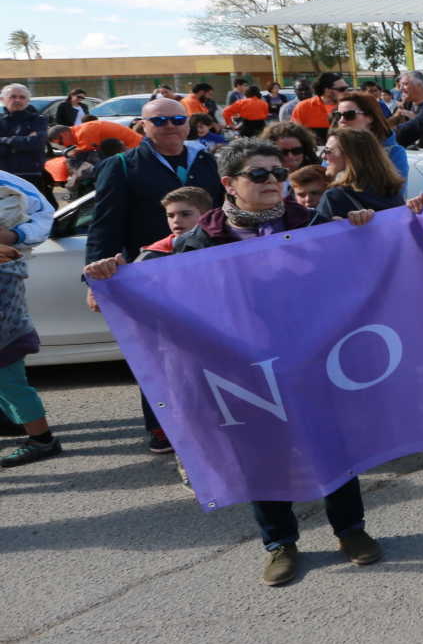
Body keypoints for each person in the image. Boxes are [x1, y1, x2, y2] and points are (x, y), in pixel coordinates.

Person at [88, 138, 383, 585]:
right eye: (260, 175)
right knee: (262, 453)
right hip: (239, 369)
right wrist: (108, 277)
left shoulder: (316, 225)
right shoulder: (197, 241)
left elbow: (359, 268)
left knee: (332, 443)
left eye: (279, 174)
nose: (274, 182)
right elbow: (143, 287)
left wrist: (363, 228)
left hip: (310, 359)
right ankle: (280, 543)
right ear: (229, 183)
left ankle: (351, 531)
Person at [83, 96, 225, 452]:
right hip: (150, 277)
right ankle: (161, 428)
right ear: (143, 127)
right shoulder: (122, 165)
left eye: (178, 119)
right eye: (159, 121)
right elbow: (105, 225)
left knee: (209, 350)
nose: (171, 127)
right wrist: (94, 281)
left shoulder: (206, 160)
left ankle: (215, 420)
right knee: (158, 355)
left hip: (204, 273)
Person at [0, 167, 57, 466]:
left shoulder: (7, 182)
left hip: (3, 278)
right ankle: (19, 422)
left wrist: (12, 234)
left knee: (6, 367)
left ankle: (42, 440)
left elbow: (44, 217)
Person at [312, 127, 406, 224]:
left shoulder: (335, 197)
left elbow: (314, 237)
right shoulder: (394, 194)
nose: (323, 156)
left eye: (327, 150)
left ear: (350, 156)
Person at [332, 92, 409, 180]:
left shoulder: (394, 152)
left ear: (370, 117)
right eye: (337, 115)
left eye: (349, 115)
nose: (341, 120)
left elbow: (396, 191)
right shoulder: (334, 147)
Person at [0, 85, 52, 205]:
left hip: (31, 176)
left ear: (27, 101)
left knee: (33, 214)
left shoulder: (38, 120)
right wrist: (22, 141)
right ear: (3, 99)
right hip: (4, 178)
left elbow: (36, 143)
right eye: (13, 97)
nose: (17, 100)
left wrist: (4, 141)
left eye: (22, 97)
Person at [137, 185, 214, 258]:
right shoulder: (153, 254)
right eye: (170, 216)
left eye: (185, 214)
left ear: (206, 215)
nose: (176, 220)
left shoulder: (222, 244)